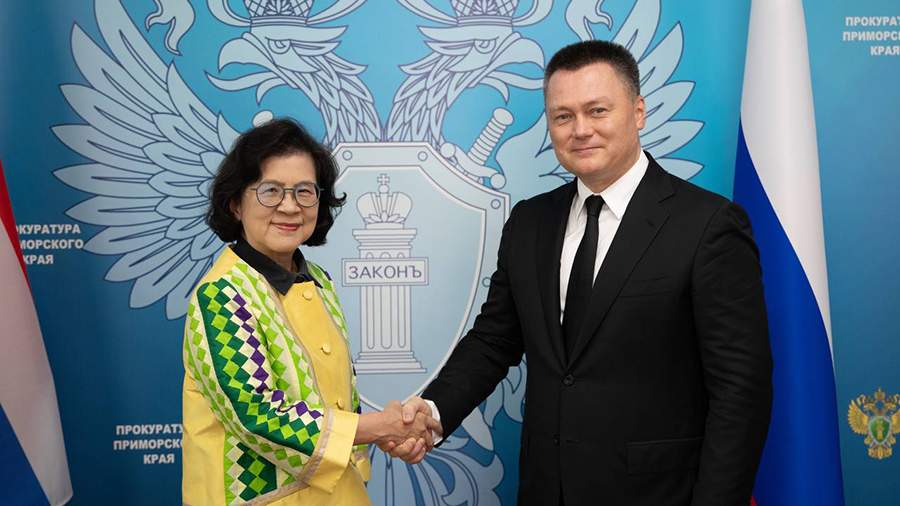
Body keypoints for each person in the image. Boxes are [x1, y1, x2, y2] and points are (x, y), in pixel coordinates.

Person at [395, 40, 774, 505]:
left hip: (659, 494)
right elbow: (494, 340)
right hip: (546, 490)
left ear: (638, 112)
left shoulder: (708, 225)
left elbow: (741, 389)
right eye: (563, 116)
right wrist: (433, 413)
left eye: (597, 111)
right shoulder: (530, 222)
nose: (580, 130)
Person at [182, 118, 439, 505]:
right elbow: (257, 416)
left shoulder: (318, 281)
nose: (289, 206)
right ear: (235, 204)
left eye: (304, 192)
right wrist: (377, 426)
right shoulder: (222, 294)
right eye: (270, 191)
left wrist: (389, 434)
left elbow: (335, 401)